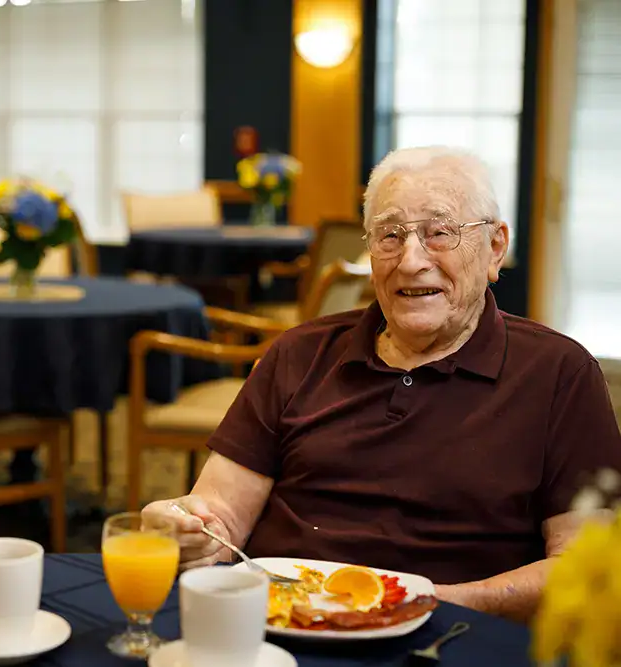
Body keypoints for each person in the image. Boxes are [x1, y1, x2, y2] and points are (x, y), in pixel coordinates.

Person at [143, 146, 621, 622]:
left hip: (452, 637)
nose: (411, 261)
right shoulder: (298, 354)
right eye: (390, 235)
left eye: (439, 233)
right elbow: (220, 516)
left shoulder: (560, 373)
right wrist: (187, 530)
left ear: (495, 248)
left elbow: (583, 567)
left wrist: (423, 604)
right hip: (286, 629)